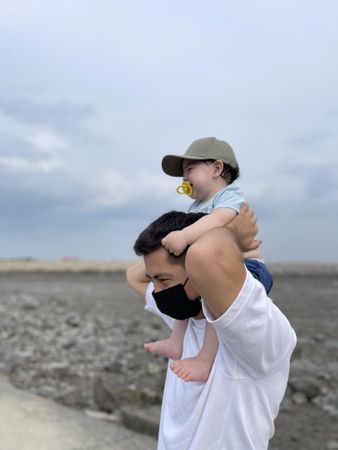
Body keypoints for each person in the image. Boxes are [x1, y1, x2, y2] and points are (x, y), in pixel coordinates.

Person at [126, 204, 296, 449]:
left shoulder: (255, 332)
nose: (157, 291)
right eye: (154, 280)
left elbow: (205, 257)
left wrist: (230, 234)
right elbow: (134, 275)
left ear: (198, 272)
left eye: (163, 280)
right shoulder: (186, 318)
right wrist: (172, 244)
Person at [144, 137, 273, 382]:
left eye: (189, 170)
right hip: (218, 267)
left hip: (248, 270)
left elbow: (217, 221)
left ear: (216, 169)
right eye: (183, 175)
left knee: (212, 296)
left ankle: (205, 358)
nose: (184, 179)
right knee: (186, 288)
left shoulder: (228, 197)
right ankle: (176, 341)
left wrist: (184, 235)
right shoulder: (195, 207)